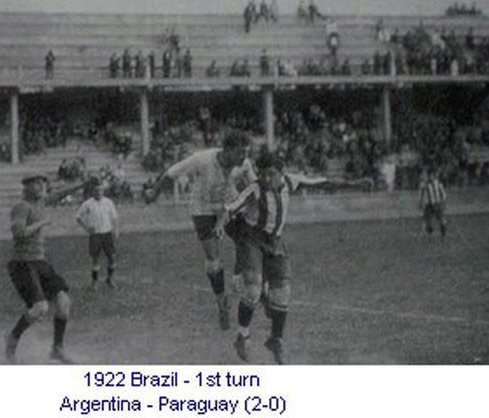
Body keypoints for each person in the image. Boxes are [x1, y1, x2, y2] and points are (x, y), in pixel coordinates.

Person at [214, 152, 371, 364]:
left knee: (283, 293)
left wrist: (355, 184)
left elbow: (321, 183)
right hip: (251, 240)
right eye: (264, 175)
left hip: (275, 242)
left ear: (281, 172)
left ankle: (276, 339)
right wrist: (219, 225)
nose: (268, 179)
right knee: (253, 288)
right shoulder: (256, 189)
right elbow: (229, 208)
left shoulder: (290, 181)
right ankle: (243, 335)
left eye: (272, 174)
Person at [145, 130, 256, 330]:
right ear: (228, 150)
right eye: (240, 153)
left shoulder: (244, 164)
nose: (244, 158)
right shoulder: (202, 159)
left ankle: (239, 279)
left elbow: (255, 186)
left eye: (246, 153)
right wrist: (154, 193)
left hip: (228, 206)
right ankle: (222, 303)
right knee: (214, 261)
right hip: (202, 210)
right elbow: (171, 173)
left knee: (247, 240)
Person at [5, 174, 86, 363]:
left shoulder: (40, 202)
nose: (42, 186)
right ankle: (12, 338)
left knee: (63, 301)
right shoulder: (21, 207)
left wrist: (82, 184)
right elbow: (18, 233)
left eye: (42, 183)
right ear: (26, 187)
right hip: (23, 263)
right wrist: (42, 223)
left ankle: (57, 349)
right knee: (40, 307)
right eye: (37, 183)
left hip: (40, 261)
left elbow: (58, 194)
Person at [76, 180, 119, 290]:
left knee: (112, 257)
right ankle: (94, 282)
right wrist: (86, 227)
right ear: (92, 191)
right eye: (96, 190)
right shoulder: (87, 203)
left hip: (107, 233)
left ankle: (110, 279)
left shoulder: (108, 202)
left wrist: (116, 230)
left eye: (100, 190)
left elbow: (114, 217)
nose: (99, 192)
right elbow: (78, 217)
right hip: (95, 235)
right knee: (95, 259)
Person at [419, 168, 447, 238]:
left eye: (433, 175)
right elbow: (422, 193)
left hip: (437, 203)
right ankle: (430, 232)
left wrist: (443, 202)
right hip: (428, 204)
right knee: (427, 219)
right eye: (430, 175)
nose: (432, 176)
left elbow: (443, 193)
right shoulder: (425, 184)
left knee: (441, 219)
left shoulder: (438, 183)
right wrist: (420, 202)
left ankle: (443, 230)